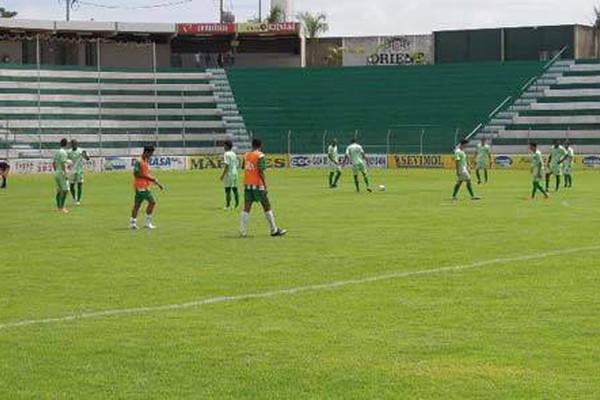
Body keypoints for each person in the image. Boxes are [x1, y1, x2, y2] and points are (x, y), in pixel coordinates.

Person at [239, 139, 287, 238]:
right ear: (260, 146)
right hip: (258, 185)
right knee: (267, 206)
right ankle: (274, 230)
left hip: (247, 185)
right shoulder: (260, 155)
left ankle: (243, 232)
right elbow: (261, 171)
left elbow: (243, 167)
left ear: (252, 145)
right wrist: (265, 185)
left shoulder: (246, 155)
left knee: (246, 208)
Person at [130, 146, 164, 230]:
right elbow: (136, 173)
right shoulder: (139, 161)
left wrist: (157, 183)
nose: (151, 156)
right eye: (150, 154)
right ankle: (147, 223)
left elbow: (146, 174)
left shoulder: (145, 161)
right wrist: (149, 178)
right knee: (152, 202)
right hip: (142, 187)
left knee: (137, 205)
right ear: (146, 152)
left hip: (142, 186)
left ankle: (133, 223)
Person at [68, 139, 90, 205]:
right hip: (72, 171)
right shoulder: (69, 152)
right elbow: (67, 160)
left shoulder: (81, 151)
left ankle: (78, 200)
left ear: (77, 144)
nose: (73, 145)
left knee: (79, 185)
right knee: (71, 186)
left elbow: (87, 158)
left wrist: (85, 155)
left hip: (79, 171)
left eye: (74, 144)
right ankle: (74, 198)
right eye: (72, 144)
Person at [220, 140, 239, 210]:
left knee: (227, 189)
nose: (223, 147)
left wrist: (222, 175)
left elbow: (227, 166)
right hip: (235, 173)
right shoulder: (234, 154)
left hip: (229, 173)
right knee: (235, 189)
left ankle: (228, 206)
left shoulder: (226, 154)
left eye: (224, 145)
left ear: (227, 146)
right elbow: (236, 164)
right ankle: (237, 204)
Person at [53, 138, 71, 213]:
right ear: (66, 144)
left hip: (57, 172)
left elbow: (53, 163)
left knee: (59, 190)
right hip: (61, 173)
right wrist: (65, 173)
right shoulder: (63, 153)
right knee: (65, 190)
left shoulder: (57, 152)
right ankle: (62, 207)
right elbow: (63, 163)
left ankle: (58, 207)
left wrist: (56, 170)